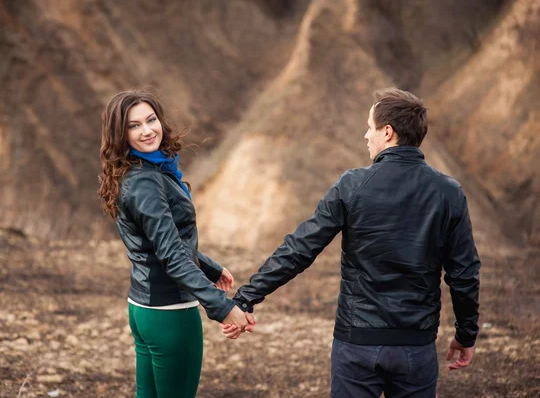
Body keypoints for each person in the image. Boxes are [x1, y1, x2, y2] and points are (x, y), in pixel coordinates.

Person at [224, 88, 481, 397]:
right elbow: (464, 274)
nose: (365, 135)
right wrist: (466, 336)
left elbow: (300, 249)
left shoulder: (352, 185)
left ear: (388, 132)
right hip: (416, 348)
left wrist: (246, 297)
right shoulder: (449, 192)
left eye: (370, 127)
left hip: (356, 346)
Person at [99, 89, 254, 398]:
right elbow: (170, 255)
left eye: (151, 119)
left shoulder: (140, 170)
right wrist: (223, 307)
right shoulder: (146, 181)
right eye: (134, 125)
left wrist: (209, 267)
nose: (146, 130)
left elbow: (158, 242)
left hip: (144, 307)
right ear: (120, 134)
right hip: (170, 312)